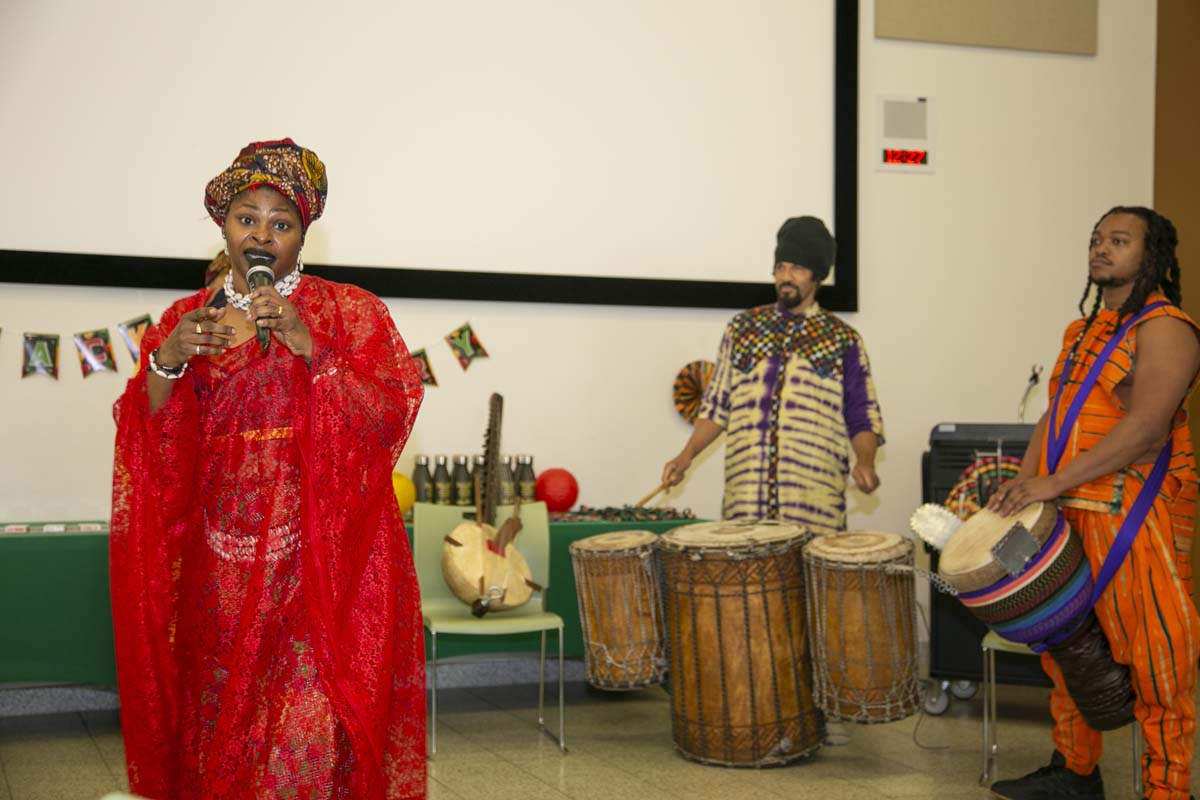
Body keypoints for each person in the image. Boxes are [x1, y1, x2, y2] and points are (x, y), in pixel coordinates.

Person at [110, 138, 427, 799]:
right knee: (218, 736)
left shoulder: (350, 312)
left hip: (317, 571)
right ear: (222, 225)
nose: (260, 234)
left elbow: (388, 414)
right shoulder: (181, 320)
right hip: (216, 577)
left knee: (303, 744)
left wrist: (314, 349)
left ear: (302, 234)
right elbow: (147, 439)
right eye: (246, 218)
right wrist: (167, 359)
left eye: (279, 223)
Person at [988, 206, 1200, 800]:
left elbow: (1148, 430)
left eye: (1119, 240)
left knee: (1158, 656)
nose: (1101, 248)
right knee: (1067, 644)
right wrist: (1021, 493)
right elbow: (1055, 416)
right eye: (1096, 239)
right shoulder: (1081, 332)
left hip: (1129, 514)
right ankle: (1076, 773)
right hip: (1063, 512)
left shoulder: (1167, 328)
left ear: (1150, 254)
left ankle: (1168, 789)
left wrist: (1051, 485)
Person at [661, 216, 884, 534]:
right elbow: (716, 408)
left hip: (814, 514)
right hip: (746, 514)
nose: (786, 277)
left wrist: (865, 461)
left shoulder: (843, 339)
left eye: (797, 268)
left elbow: (862, 416)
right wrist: (685, 457)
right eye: (780, 267)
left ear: (817, 275)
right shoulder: (742, 329)